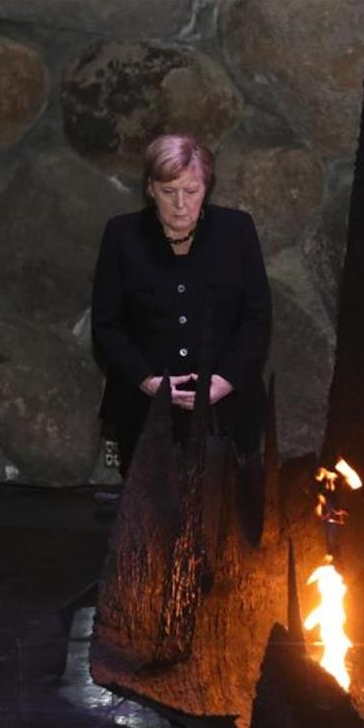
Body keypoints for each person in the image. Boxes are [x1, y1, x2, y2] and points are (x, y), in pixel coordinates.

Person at [91, 133, 271, 478]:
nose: (180, 204)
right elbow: (107, 325)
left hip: (227, 408)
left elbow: (257, 317)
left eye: (191, 191)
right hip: (143, 410)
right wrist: (148, 382)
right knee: (149, 523)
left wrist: (225, 381)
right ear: (150, 189)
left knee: (227, 521)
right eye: (168, 192)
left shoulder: (237, 230)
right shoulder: (121, 234)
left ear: (207, 188)